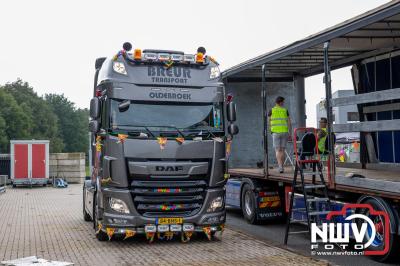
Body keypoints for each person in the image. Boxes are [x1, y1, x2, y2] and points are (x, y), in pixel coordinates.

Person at [268, 96, 291, 173]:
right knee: (283, 150)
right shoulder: (285, 110)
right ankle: (282, 166)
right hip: (284, 132)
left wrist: (271, 130)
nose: (284, 103)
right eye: (283, 102)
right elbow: (289, 122)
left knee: (278, 150)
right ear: (280, 102)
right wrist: (289, 132)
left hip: (275, 132)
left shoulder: (271, 110)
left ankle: (280, 167)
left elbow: (269, 122)